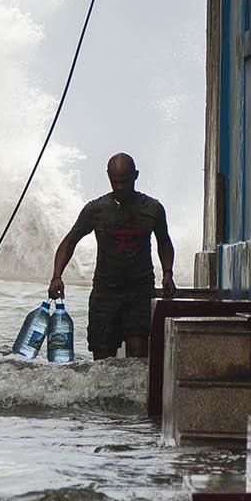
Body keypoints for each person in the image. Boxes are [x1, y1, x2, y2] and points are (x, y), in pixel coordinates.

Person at [49, 152, 176, 360]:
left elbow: (164, 242)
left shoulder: (152, 209)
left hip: (140, 292)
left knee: (138, 353)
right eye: (114, 182)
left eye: (124, 182)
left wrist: (168, 273)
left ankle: (135, 393)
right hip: (105, 294)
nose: (119, 187)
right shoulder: (96, 210)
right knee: (102, 357)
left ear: (136, 176)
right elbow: (69, 241)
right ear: (108, 177)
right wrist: (56, 276)